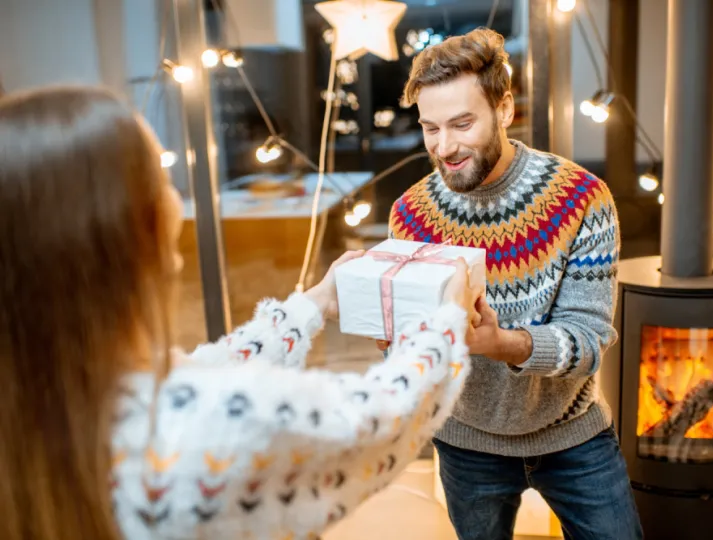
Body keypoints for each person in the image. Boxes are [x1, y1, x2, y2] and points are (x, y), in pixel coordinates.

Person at [0, 86, 480, 540]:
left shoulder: (48, 408)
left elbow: (202, 371)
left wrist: (312, 304)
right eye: (161, 178)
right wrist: (444, 320)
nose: (173, 196)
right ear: (120, 231)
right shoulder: (202, 436)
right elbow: (378, 422)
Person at [381, 28, 643, 540]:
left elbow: (589, 341)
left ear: (504, 109)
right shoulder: (409, 214)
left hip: (573, 434)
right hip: (464, 440)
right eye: (430, 128)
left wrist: (503, 345)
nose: (445, 146)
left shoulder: (581, 198)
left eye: (462, 123)